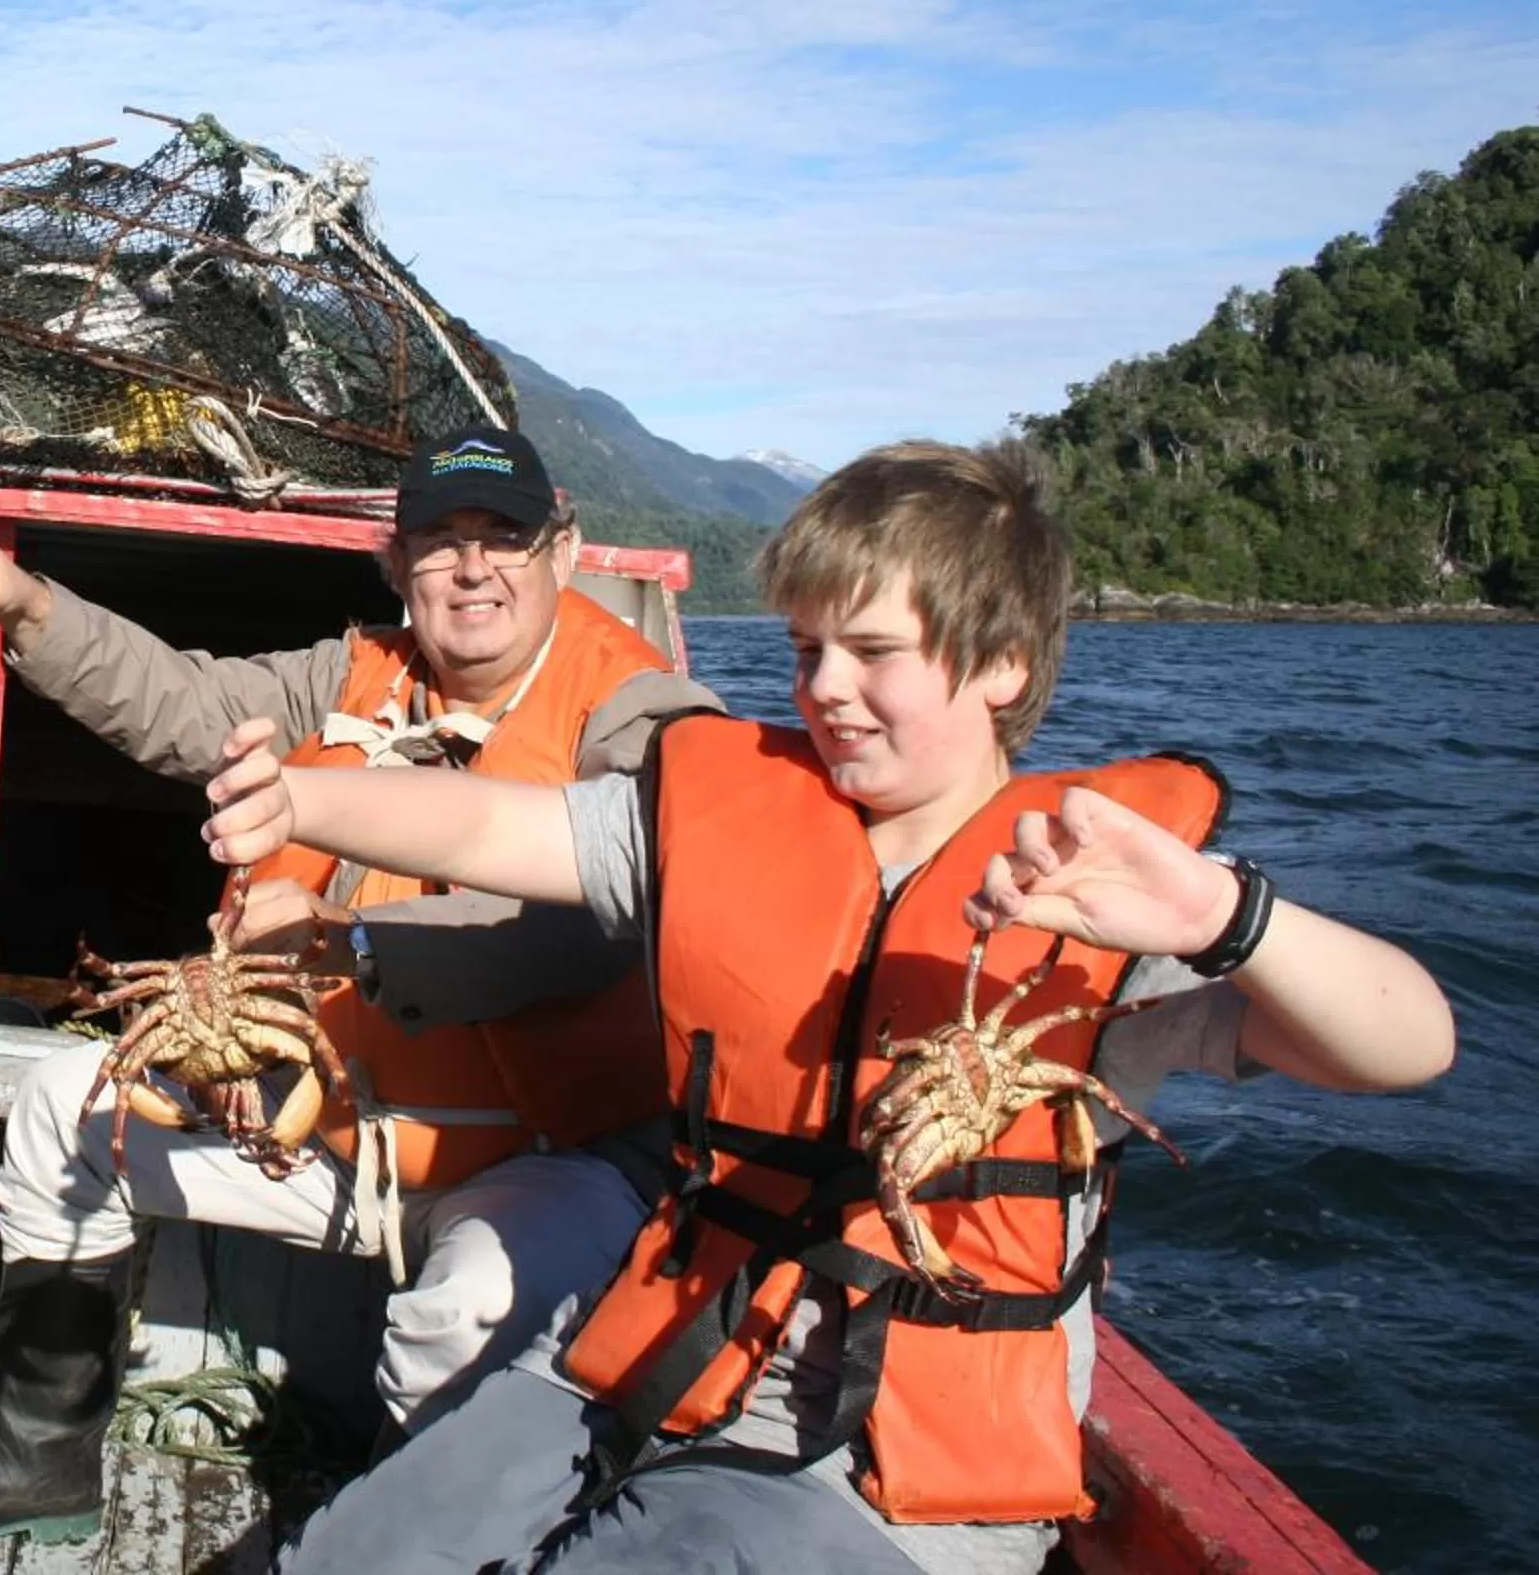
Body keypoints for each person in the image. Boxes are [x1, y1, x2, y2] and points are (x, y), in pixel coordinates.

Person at [197, 438, 1457, 1575]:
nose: (825, 689)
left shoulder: (1099, 907)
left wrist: (1232, 920)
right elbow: (486, 820)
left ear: (1003, 661)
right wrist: (302, 804)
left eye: (873, 651)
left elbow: (1409, 1042)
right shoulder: (733, 822)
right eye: (805, 651)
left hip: (891, 1471)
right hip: (668, 1341)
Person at [0, 424, 715, 1552]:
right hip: (329, 1126)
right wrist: (27, 605)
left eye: (503, 536)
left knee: (471, 1308)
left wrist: (353, 945)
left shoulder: (639, 713)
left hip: (539, 1156)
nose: (471, 567)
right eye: (438, 540)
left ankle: (410, 1541)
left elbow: (595, 924)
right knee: (64, 1110)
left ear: (566, 549)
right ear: (394, 563)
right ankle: (38, 1459)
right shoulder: (358, 669)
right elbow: (183, 702)